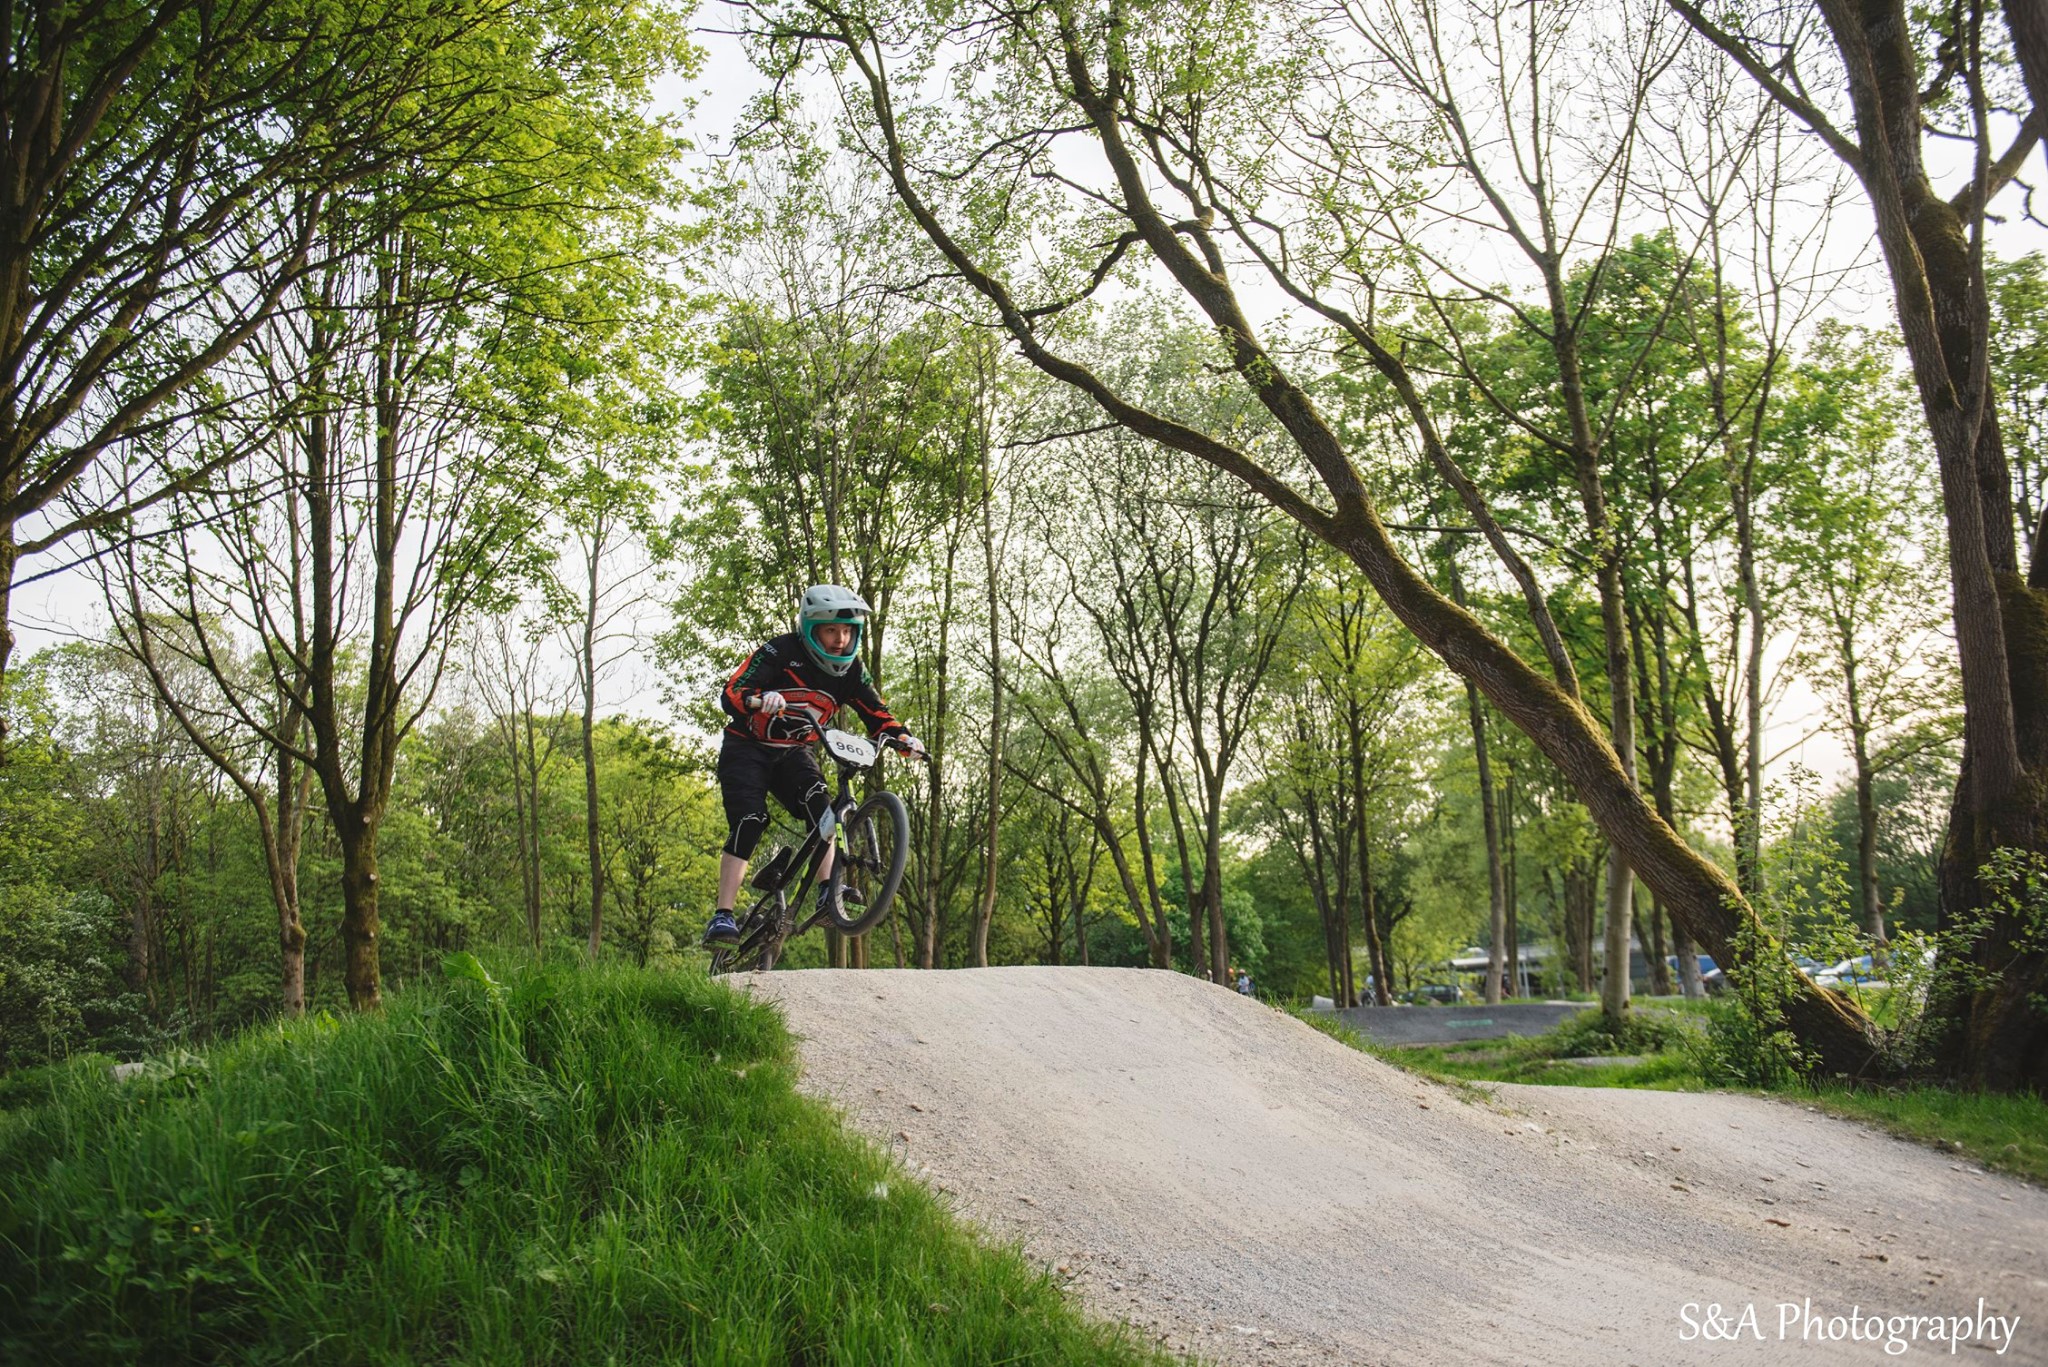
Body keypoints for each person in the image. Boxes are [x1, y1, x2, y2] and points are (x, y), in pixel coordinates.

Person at [702, 584, 924, 947]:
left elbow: (877, 713)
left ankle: (827, 892)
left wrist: (905, 740)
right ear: (811, 629)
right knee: (751, 820)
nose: (841, 640)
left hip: (792, 752)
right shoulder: (780, 651)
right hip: (747, 747)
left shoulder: (851, 671)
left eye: (848, 631)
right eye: (832, 631)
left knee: (823, 807)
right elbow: (733, 692)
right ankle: (722, 915)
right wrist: (759, 700)